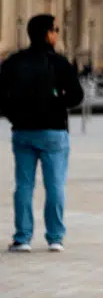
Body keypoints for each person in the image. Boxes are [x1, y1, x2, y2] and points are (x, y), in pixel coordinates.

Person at [0, 15, 83, 252]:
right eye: (55, 30)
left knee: (24, 186)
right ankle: (55, 237)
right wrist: (57, 103)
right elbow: (77, 96)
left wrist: (14, 115)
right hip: (53, 131)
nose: (57, 34)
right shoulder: (59, 63)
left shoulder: (14, 62)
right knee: (55, 185)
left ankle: (23, 237)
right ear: (47, 34)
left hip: (23, 131)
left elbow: (1, 96)